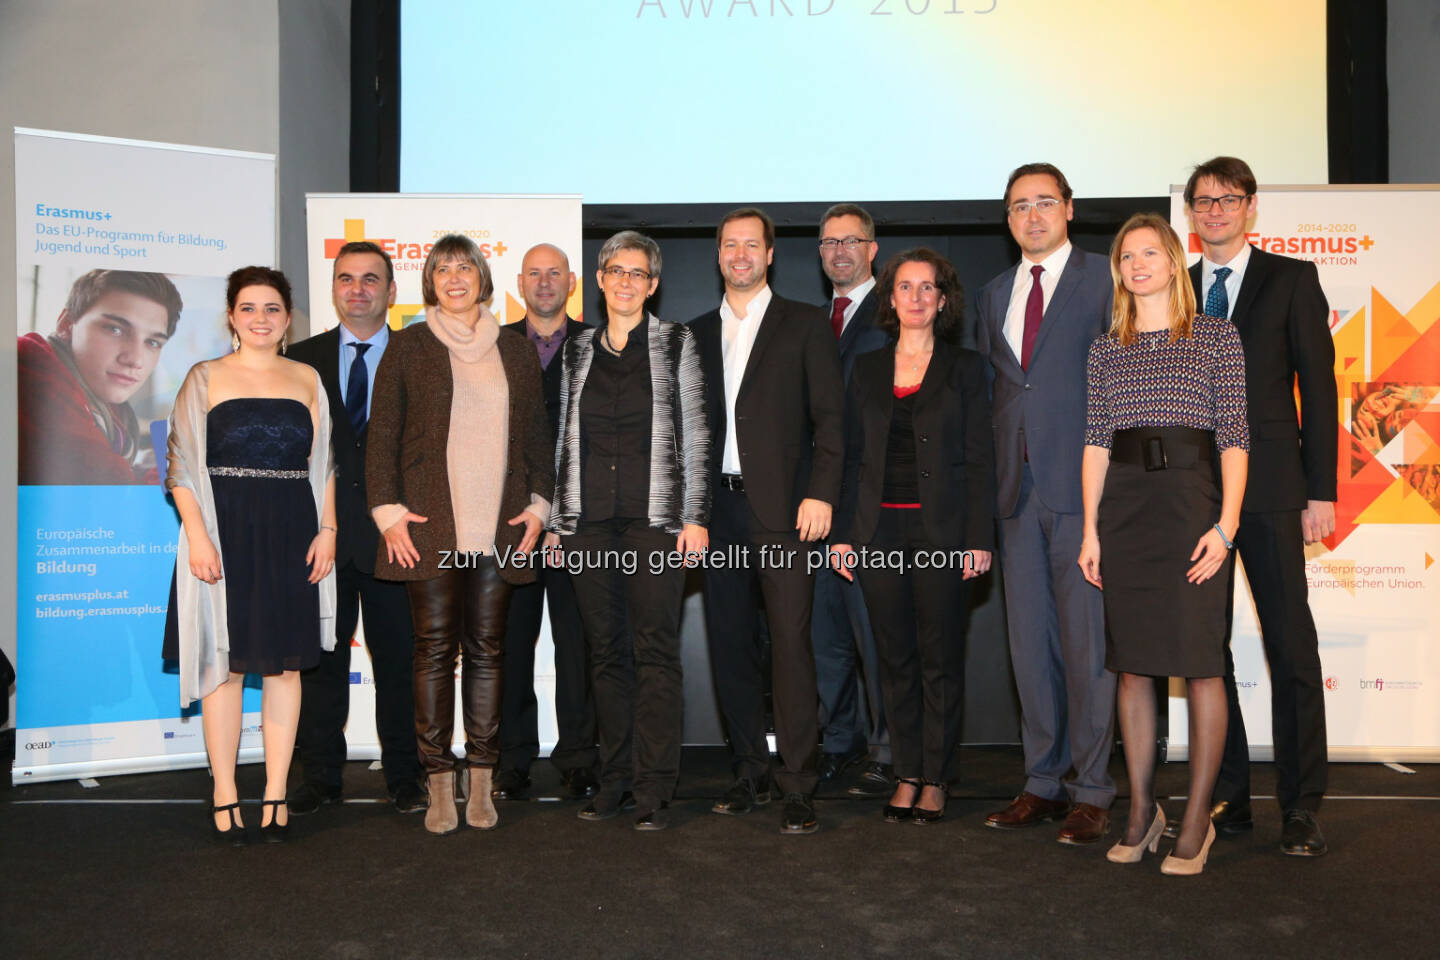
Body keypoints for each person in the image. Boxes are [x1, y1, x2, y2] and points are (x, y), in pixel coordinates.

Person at [1078, 214, 1249, 876]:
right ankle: (1142, 809)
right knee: (1134, 665)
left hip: (1192, 509)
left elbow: (1235, 437)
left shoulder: (1215, 337)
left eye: (1151, 252)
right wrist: (1089, 529)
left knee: (1202, 662)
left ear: (1176, 261)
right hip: (1124, 511)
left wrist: (1226, 525)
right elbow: (1096, 441)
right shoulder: (1106, 347)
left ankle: (1198, 817)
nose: (1138, 264)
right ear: (1118, 271)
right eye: (1127, 256)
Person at [365, 234, 553, 836]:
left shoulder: (517, 352)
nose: (453, 277)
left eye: (464, 267)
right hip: (428, 525)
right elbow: (382, 437)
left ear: (482, 277)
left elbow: (537, 441)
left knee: (489, 653)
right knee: (434, 652)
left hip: (500, 525)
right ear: (430, 282)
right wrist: (388, 513)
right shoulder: (408, 346)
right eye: (442, 268)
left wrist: (541, 508)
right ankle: (438, 779)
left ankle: (482, 777)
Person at [1183, 156, 1336, 856]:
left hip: (1274, 491)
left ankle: (1302, 804)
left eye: (1228, 198)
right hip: (1195, 497)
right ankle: (1232, 794)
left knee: (1291, 648)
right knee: (1206, 652)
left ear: (1250, 207)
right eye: (1203, 200)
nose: (1215, 210)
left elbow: (1321, 389)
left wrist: (1321, 489)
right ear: (1190, 211)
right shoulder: (1177, 289)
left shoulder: (1291, 279)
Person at [162, 266, 337, 845]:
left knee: (286, 667)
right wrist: (198, 536)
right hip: (224, 529)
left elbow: (326, 465)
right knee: (227, 667)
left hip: (292, 530)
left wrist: (328, 529)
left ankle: (277, 791)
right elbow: (181, 465)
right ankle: (225, 792)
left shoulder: (308, 377)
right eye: (248, 308)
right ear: (232, 317)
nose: (260, 319)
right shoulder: (204, 376)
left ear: (287, 318)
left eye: (272, 309)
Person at [543, 231, 711, 831]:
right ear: (599, 278)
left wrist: (695, 517)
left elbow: (695, 433)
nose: (626, 281)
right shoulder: (577, 349)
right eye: (616, 270)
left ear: (653, 284)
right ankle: (613, 779)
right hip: (589, 525)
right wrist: (561, 524)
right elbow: (565, 436)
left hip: (655, 522)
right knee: (605, 653)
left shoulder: (676, 342)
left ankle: (654, 786)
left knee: (655, 651)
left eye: (638, 273)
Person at [689, 207, 845, 835]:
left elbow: (831, 422)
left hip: (786, 511)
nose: (741, 254)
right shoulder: (693, 334)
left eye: (752, 244)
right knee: (728, 644)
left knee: (789, 643)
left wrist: (821, 493)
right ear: (719, 254)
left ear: (771, 254)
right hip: (716, 511)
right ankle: (749, 770)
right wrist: (689, 512)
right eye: (731, 245)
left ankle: (799, 781)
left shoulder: (805, 324)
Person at [974, 163, 1117, 844]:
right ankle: (1042, 781)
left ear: (1068, 208)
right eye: (1018, 207)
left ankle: (1092, 789)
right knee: (1030, 647)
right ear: (1007, 219)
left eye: (1043, 203)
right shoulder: (995, 291)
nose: (1031, 216)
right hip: (1015, 493)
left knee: (1088, 647)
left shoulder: (1105, 277)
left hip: (1083, 488)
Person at [830, 248, 995, 824]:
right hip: (877, 535)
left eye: (929, 288)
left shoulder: (968, 369)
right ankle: (905, 772)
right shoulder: (868, 370)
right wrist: (846, 535)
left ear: (943, 300)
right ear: (891, 298)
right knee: (893, 659)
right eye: (906, 287)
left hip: (941, 534)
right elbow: (851, 459)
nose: (918, 297)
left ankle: (937, 776)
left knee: (940, 660)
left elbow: (980, 460)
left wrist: (978, 538)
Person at [286, 242, 425, 817]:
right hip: (324, 538)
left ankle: (406, 777)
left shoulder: (422, 357)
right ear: (334, 288)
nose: (358, 289)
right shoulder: (299, 358)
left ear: (392, 293)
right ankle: (320, 776)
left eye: (372, 279)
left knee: (400, 665)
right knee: (320, 664)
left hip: (400, 541)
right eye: (347, 278)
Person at [494, 243, 599, 802]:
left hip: (580, 524)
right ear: (518, 282)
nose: (543, 281)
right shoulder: (493, 345)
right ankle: (513, 758)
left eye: (553, 272)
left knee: (576, 644)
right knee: (511, 643)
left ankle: (579, 756)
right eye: (533, 273)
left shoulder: (600, 344)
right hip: (510, 520)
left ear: (571, 282)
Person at [811, 203, 894, 798]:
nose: (839, 251)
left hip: (871, 506)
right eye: (829, 242)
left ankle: (890, 751)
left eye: (851, 240)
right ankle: (841, 743)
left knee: (878, 633)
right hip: (813, 508)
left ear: (872, 249)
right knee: (826, 636)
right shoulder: (810, 323)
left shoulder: (896, 315)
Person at [18, 269, 183, 485]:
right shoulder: (31, 370)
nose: (135, 359)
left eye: (152, 342)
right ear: (66, 325)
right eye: (115, 329)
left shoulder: (106, 406)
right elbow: (117, 501)